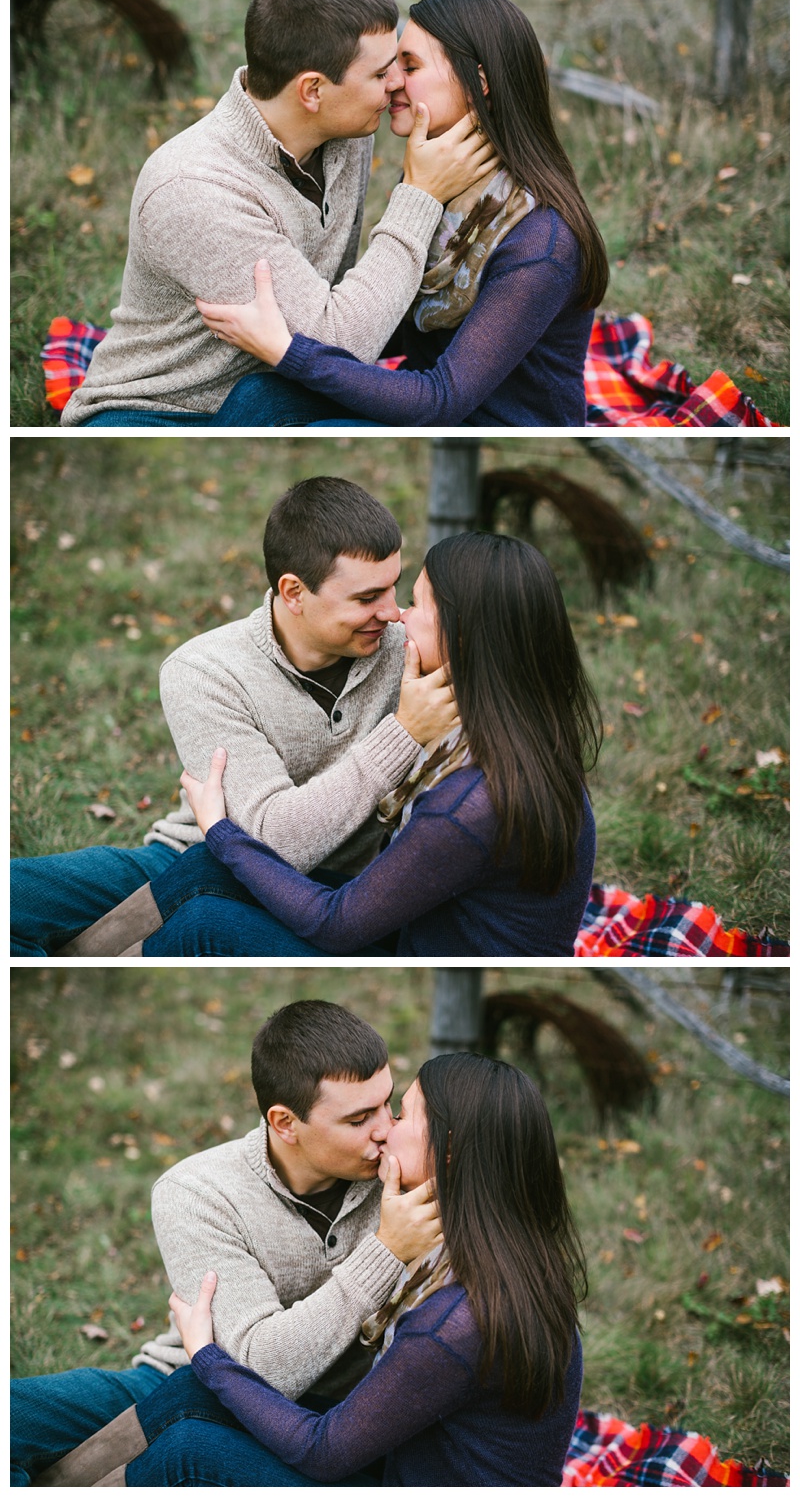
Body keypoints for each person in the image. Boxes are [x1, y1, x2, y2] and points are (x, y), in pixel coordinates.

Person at [10, 480, 455, 957]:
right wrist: (403, 733)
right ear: (293, 592)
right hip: (194, 856)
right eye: (367, 598)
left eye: (395, 587)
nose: (392, 613)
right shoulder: (205, 671)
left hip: (333, 895)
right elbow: (272, 840)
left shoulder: (409, 648)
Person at [10, 1002, 441, 1487]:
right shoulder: (197, 1191)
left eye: (389, 1103)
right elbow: (261, 1366)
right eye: (360, 1118)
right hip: (187, 1379)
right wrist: (383, 1253)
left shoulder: (410, 1175)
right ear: (284, 1123)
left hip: (329, 1422)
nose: (386, 1130)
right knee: (16, 1414)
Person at [58, 0, 495, 427]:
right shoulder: (193, 189)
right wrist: (420, 195)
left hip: (273, 383)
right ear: (312, 90)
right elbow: (341, 346)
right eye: (380, 74)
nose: (396, 85)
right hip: (163, 409)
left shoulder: (346, 131)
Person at [124, 1052, 585, 1487]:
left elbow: (322, 1451)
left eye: (402, 1114)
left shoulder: (454, 1324)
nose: (386, 1130)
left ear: (448, 1151)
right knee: (191, 1395)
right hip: (402, 1467)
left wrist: (207, 1354)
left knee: (188, 1450)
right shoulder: (506, 1260)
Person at [136, 531, 599, 959]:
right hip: (412, 927)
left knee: (206, 922)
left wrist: (220, 829)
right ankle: (79, 954)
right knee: (204, 870)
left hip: (411, 953)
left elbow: (335, 924)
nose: (399, 616)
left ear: (460, 635)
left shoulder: (468, 807)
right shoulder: (519, 733)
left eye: (417, 606)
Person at [191, 0, 609, 427]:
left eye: (409, 66)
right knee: (262, 396)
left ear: (479, 83)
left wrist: (286, 350)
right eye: (391, 66)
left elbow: (440, 399)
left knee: (319, 422)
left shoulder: (540, 240)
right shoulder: (439, 183)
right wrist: (299, 322)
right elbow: (396, 327)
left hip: (480, 426)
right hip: (425, 399)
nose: (392, 81)